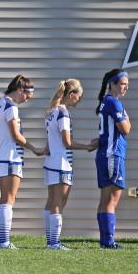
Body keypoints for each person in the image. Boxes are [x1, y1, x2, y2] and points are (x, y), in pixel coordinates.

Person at [44, 79, 96, 250]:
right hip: (61, 163)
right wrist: (88, 146)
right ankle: (54, 243)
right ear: (71, 94)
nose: (79, 100)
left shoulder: (52, 111)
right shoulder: (63, 113)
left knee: (51, 201)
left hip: (52, 161)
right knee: (59, 202)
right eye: (79, 97)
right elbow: (67, 142)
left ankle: (51, 241)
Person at [0, 75, 43, 250]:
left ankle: (2, 240)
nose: (28, 98)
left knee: (5, 199)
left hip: (5, 155)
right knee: (8, 199)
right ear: (20, 90)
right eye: (28, 94)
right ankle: (4, 241)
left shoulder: (1, 103)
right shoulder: (11, 106)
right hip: (11, 156)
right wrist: (33, 148)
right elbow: (15, 134)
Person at [95, 69, 132, 250]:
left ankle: (105, 241)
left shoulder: (105, 101)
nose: (125, 87)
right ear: (113, 84)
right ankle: (109, 241)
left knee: (104, 199)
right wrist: (126, 117)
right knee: (112, 200)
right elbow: (126, 129)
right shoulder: (114, 103)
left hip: (103, 154)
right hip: (113, 155)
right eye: (122, 84)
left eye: (127, 84)